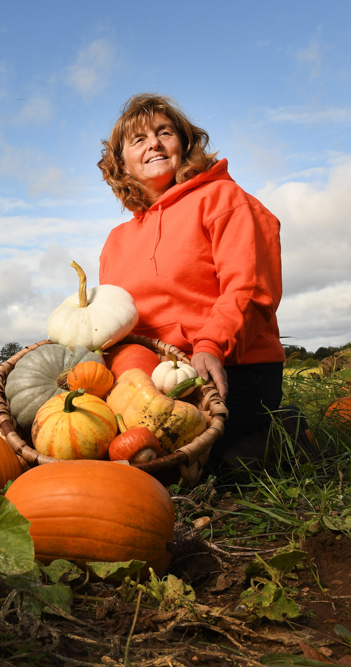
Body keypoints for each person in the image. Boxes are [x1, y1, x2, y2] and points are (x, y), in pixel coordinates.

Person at [96, 93, 287, 477]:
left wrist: (211, 345)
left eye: (163, 132)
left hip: (227, 365)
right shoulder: (116, 240)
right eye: (138, 139)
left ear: (183, 144)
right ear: (121, 163)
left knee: (189, 472)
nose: (153, 144)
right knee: (113, 456)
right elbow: (113, 324)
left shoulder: (224, 198)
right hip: (151, 372)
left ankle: (285, 430)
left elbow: (249, 287)